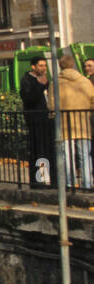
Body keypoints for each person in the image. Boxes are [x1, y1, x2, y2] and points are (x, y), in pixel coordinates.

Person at [49, 54, 94, 190]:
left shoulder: (56, 83)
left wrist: (53, 115)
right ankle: (87, 184)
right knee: (85, 155)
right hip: (82, 122)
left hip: (64, 124)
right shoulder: (84, 81)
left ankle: (69, 183)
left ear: (60, 66)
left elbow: (51, 104)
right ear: (73, 65)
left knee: (67, 156)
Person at [20, 56, 53, 187]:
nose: (44, 68)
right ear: (33, 67)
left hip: (45, 119)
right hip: (35, 120)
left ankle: (47, 177)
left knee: (46, 149)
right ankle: (40, 179)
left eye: (45, 65)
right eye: (41, 65)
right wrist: (41, 86)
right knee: (38, 150)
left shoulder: (45, 80)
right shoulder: (27, 80)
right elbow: (29, 99)